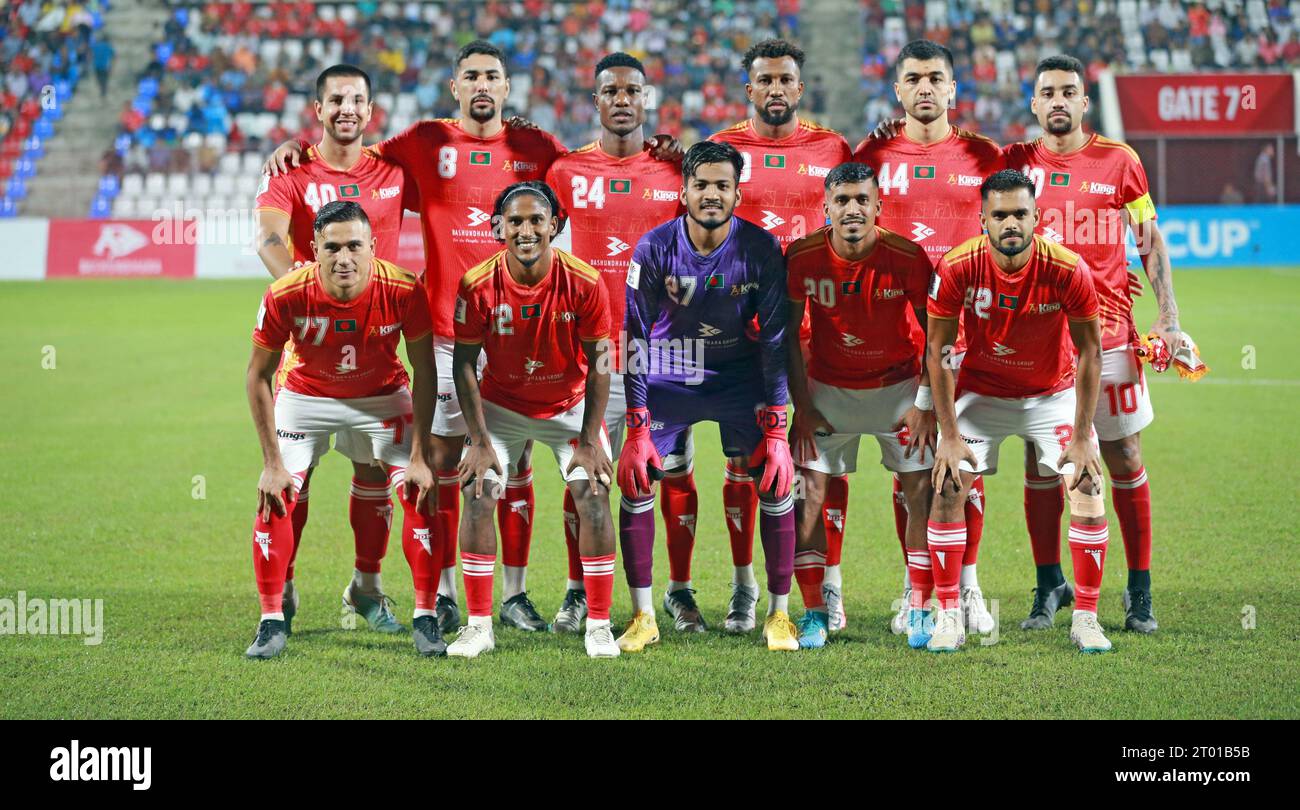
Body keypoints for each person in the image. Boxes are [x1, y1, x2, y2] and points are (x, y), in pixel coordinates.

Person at [265, 41, 568, 634]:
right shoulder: (424, 142)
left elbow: (581, 181)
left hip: (520, 334)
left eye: (493, 77)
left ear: (508, 88)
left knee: (520, 461)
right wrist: (298, 151)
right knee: (444, 460)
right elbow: (349, 157)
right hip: (447, 331)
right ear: (454, 87)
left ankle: (515, 592)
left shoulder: (538, 147)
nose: (483, 85)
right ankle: (448, 592)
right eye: (471, 76)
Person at [1004, 55, 1191, 633]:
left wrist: (1170, 317)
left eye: (1068, 92)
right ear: (1033, 104)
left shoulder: (1120, 162)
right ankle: (1047, 585)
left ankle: (1139, 590)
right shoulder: (1012, 163)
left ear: (1085, 102)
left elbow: (1148, 241)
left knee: (1124, 457)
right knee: (1041, 466)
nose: (1057, 101)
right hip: (1037, 342)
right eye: (1046, 93)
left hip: (1109, 339)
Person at [617, 140, 798, 653]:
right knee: (636, 480)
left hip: (737, 375)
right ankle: (644, 615)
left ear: (738, 194)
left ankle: (778, 616)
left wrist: (779, 430)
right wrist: (635, 426)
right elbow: (633, 335)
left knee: (774, 475)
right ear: (684, 191)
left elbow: (777, 339)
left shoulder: (761, 249)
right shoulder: (653, 248)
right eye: (702, 185)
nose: (711, 195)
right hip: (668, 373)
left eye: (722, 186)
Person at [253, 65, 415, 634]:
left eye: (358, 101)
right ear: (317, 110)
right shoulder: (292, 171)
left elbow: (462, 187)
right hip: (311, 355)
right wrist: (307, 290)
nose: (347, 109)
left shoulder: (396, 171)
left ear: (371, 112)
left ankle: (366, 590)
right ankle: (284, 586)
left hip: (378, 355)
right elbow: (269, 236)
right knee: (295, 482)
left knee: (375, 476)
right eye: (336, 100)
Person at [701, 39, 854, 634]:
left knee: (821, 464)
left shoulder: (832, 147)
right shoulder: (720, 149)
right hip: (743, 335)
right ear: (750, 90)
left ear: (799, 87)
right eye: (763, 80)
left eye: (784, 79)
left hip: (820, 333)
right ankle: (744, 588)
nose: (774, 89)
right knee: (745, 465)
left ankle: (828, 589)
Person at [853, 39, 1005, 637]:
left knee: (966, 462)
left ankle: (967, 588)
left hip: (973, 329)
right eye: (912, 78)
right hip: (899, 332)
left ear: (952, 89)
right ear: (897, 90)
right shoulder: (872, 153)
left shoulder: (983, 154)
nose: (923, 88)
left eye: (934, 78)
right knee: (911, 470)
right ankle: (917, 586)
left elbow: (1020, 218)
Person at [244, 201, 441, 659]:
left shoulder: (404, 289)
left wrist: (419, 458)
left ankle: (424, 615)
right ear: (313, 250)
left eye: (355, 245)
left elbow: (425, 369)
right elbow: (256, 376)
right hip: (305, 396)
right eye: (332, 247)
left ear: (373, 247)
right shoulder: (285, 293)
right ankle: (273, 617)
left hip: (381, 394)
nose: (344, 257)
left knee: (417, 490)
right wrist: (272, 463)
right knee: (277, 493)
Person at [925, 170, 1110, 654]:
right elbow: (938, 350)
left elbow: (1091, 352)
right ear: (983, 217)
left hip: (1051, 394)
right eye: (1000, 214)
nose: (1011, 223)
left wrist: (1084, 435)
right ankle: (948, 614)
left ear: (1038, 217)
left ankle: (1086, 617)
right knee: (946, 481)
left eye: (1020, 214)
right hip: (983, 393)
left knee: (1088, 482)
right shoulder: (957, 266)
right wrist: (947, 433)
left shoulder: (1068, 268)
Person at [543, 52, 684, 632]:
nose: (622, 100)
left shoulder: (677, 171)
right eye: (610, 91)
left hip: (665, 349)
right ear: (595, 101)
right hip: (592, 351)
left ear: (646, 100)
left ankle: (678, 590)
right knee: (589, 474)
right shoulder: (565, 173)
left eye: (632, 91)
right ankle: (580, 590)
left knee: (670, 472)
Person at [450, 181, 619, 659]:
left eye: (536, 220)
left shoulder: (584, 280)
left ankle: (600, 626)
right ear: (499, 227)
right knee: (477, 489)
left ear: (555, 225)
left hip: (566, 406)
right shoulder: (476, 284)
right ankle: (479, 625)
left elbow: (600, 360)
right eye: (516, 222)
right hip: (502, 406)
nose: (526, 230)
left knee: (593, 490)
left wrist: (589, 438)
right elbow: (464, 363)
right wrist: (480, 439)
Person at [785, 163, 936, 650]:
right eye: (842, 200)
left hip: (898, 389)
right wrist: (802, 405)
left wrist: (924, 404)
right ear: (825, 206)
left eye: (861, 200)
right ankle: (813, 611)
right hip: (829, 390)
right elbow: (788, 335)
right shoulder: (802, 256)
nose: (852, 209)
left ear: (878, 206)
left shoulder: (908, 257)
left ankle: (918, 605)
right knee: (808, 496)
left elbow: (937, 335)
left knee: (919, 490)